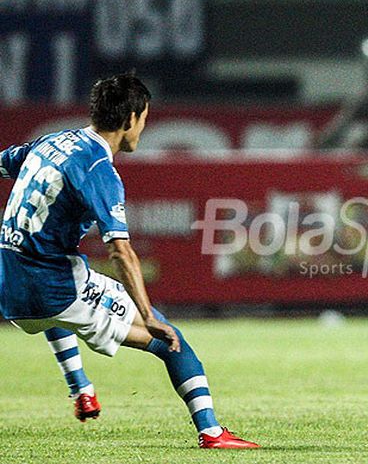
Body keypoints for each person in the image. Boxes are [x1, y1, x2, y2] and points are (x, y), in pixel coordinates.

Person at [0, 73, 259, 449]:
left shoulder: (51, 142)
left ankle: (81, 390)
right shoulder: (98, 169)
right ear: (130, 120)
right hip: (52, 288)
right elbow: (121, 251)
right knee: (171, 341)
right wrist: (149, 314)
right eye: (144, 119)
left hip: (10, 292)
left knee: (57, 309)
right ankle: (212, 432)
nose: (143, 127)